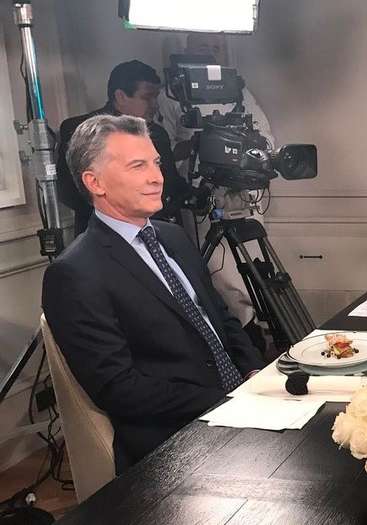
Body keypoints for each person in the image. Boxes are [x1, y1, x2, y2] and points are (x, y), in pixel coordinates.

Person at [42, 115, 264, 473]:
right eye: (138, 166)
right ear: (94, 182)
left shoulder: (173, 236)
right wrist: (227, 400)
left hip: (243, 404)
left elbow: (220, 318)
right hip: (175, 438)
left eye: (156, 163)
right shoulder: (74, 273)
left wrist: (254, 372)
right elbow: (119, 388)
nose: (157, 177)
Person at [157, 32, 275, 334]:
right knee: (221, 271)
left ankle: (265, 327)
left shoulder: (238, 89)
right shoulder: (172, 94)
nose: (209, 52)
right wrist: (198, 145)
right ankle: (243, 330)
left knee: (255, 262)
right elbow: (163, 149)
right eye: (202, 46)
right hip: (203, 192)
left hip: (243, 189)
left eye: (216, 47)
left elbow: (264, 134)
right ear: (188, 48)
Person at [56, 60, 189, 236]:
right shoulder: (79, 131)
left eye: (156, 97)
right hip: (105, 239)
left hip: (159, 233)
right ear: (120, 97)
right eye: (147, 97)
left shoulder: (157, 133)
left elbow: (170, 181)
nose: (155, 104)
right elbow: (70, 193)